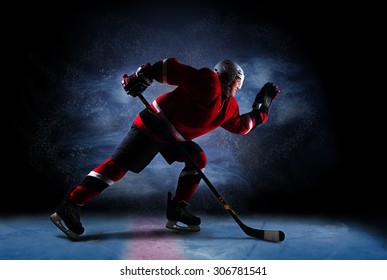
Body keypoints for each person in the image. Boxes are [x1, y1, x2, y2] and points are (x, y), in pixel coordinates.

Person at [50, 57, 280, 240]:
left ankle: (177, 209)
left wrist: (262, 109)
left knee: (198, 159)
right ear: (227, 77)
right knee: (118, 167)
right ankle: (70, 204)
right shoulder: (209, 79)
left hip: (173, 138)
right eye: (237, 83)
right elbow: (172, 68)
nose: (238, 88)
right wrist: (144, 74)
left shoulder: (229, 106)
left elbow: (241, 126)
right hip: (153, 124)